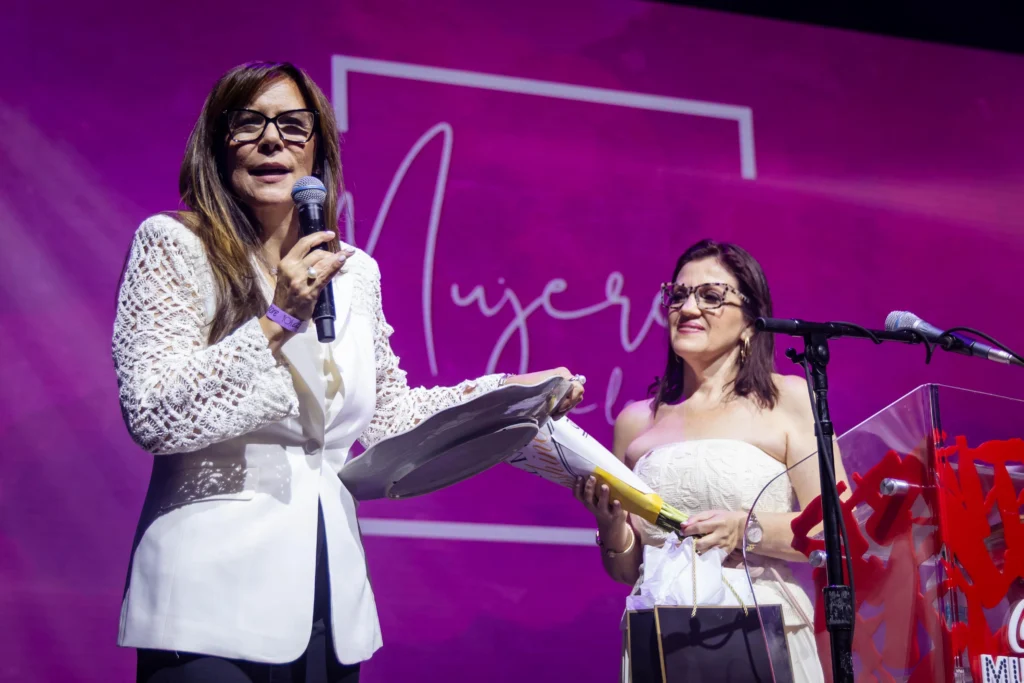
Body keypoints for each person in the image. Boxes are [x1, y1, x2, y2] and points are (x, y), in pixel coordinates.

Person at [112, 61, 584, 683]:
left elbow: (389, 420)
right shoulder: (176, 244)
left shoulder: (354, 271)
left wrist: (510, 393)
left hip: (327, 605)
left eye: (292, 124)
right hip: (208, 598)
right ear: (217, 144)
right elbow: (154, 412)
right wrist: (278, 315)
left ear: (318, 148)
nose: (272, 139)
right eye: (248, 122)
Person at [574, 239, 847, 683]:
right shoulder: (636, 421)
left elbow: (836, 530)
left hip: (765, 629)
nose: (688, 308)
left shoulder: (788, 399)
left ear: (750, 322)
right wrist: (610, 525)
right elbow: (628, 569)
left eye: (711, 296)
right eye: (677, 295)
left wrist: (745, 528)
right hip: (662, 635)